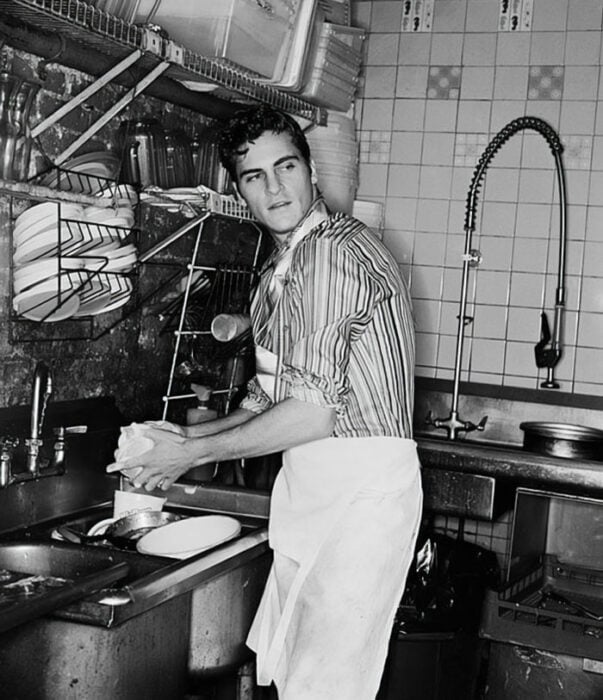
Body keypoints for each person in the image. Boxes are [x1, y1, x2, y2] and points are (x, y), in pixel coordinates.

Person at [107, 104, 423, 699]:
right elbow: (266, 398)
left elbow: (311, 412)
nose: (275, 187)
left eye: (286, 167)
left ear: (309, 169)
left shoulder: (332, 254)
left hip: (357, 496)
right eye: (256, 176)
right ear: (239, 189)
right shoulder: (283, 267)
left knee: (324, 688)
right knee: (293, 675)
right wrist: (181, 441)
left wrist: (189, 452)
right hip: (314, 489)